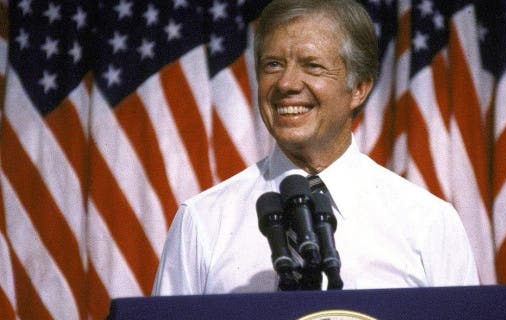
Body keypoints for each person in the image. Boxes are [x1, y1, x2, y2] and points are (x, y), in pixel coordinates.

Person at [152, 0, 478, 295]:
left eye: (312, 66)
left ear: (359, 88)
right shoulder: (204, 222)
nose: (286, 84)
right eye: (273, 65)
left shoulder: (428, 223)